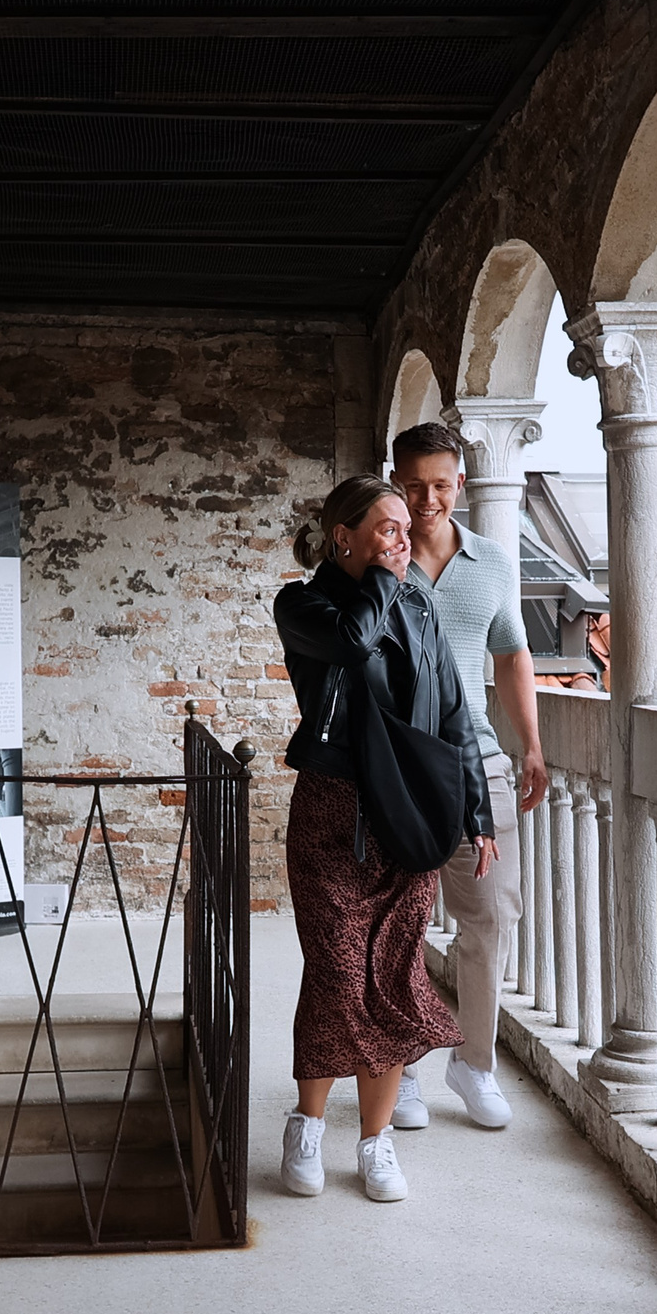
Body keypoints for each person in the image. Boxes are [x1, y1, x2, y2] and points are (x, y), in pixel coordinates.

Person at [273, 476, 497, 1203]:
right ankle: (307, 1124)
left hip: (408, 812)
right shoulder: (304, 603)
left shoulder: (419, 604)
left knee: (393, 974)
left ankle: (375, 1142)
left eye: (407, 528)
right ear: (342, 534)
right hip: (333, 813)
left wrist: (477, 813)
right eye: (386, 528)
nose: (404, 539)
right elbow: (351, 640)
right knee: (338, 971)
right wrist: (379, 580)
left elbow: (456, 715)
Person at [386, 421, 551, 1132]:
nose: (429, 499)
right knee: (398, 925)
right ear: (397, 482)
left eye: (441, 484)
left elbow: (512, 653)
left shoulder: (490, 562)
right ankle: (406, 1069)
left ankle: (474, 1063)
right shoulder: (377, 560)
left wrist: (532, 745)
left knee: (489, 919)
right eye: (415, 485)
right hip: (394, 772)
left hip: (477, 763)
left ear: (460, 482)